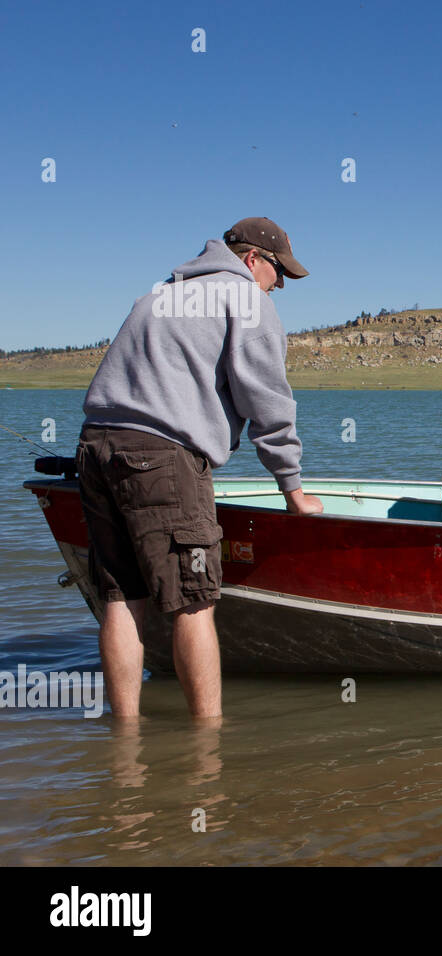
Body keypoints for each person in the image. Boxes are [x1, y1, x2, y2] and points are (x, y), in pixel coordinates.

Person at [77, 217, 324, 720]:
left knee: (123, 596)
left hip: (95, 450)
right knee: (194, 599)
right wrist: (293, 489)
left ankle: (124, 738)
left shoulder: (161, 294)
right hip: (162, 459)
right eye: (279, 274)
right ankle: (205, 751)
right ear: (253, 259)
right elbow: (269, 406)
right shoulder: (247, 300)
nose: (279, 287)